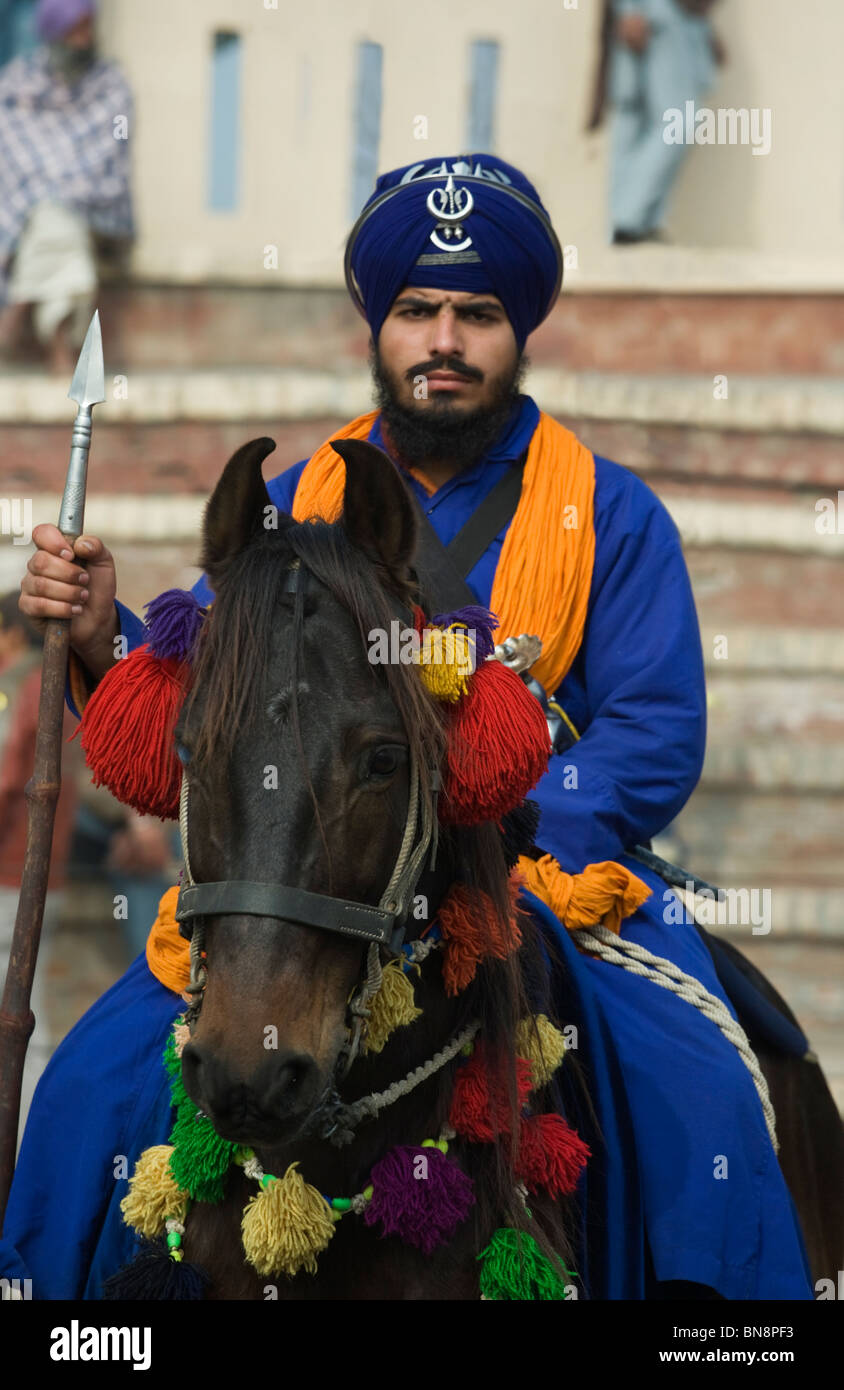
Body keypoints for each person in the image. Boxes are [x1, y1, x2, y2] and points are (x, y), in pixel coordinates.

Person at [9, 152, 812, 1300]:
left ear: (516, 330)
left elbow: (653, 725)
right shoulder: (287, 508)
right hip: (308, 875)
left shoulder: (615, 514)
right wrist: (102, 633)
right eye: (418, 310)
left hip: (550, 877)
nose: (444, 338)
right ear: (378, 327)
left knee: (705, 1088)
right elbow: (217, 706)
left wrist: (526, 820)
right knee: (88, 1081)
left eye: (476, 313)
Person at [0, 0, 133, 373]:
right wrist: (47, 189)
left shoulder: (110, 85)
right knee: (53, 221)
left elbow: (108, 160)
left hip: (91, 208)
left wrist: (55, 187)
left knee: (56, 216)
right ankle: (61, 352)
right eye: (75, 30)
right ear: (55, 34)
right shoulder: (17, 85)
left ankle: (20, 304)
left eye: (88, 29)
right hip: (31, 211)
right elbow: (12, 157)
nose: (83, 40)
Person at [0, 592, 79, 1138]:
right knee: (30, 1018)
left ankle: (22, 1138)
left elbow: (4, 782)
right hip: (45, 870)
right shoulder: (55, 689)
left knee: (16, 1021)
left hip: (9, 874)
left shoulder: (15, 687)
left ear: (9, 635)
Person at [588, 0, 723, 244]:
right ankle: (629, 219)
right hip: (657, 14)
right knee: (676, 121)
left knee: (636, 121)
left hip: (667, 17)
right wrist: (629, 10)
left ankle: (635, 221)